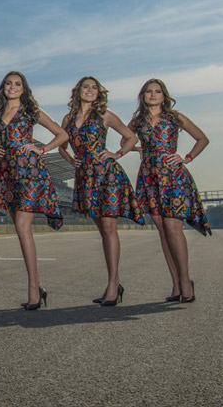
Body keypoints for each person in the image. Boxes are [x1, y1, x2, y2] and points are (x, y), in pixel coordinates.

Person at [0, 71, 67, 310]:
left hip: (30, 171)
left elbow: (62, 135)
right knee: (20, 230)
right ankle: (38, 285)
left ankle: (33, 288)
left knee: (22, 227)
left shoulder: (32, 111)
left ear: (24, 88)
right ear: (3, 88)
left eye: (17, 84)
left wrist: (41, 149)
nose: (12, 87)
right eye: (9, 83)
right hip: (7, 173)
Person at [60, 76, 144, 307]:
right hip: (85, 178)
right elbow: (61, 145)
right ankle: (113, 284)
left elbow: (131, 137)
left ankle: (113, 284)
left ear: (99, 92)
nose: (90, 90)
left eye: (94, 87)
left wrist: (117, 154)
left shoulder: (104, 114)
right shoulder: (68, 118)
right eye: (85, 87)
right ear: (78, 91)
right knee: (102, 231)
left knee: (109, 229)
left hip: (106, 174)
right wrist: (70, 160)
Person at [129, 79, 211, 303]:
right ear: (143, 95)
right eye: (148, 92)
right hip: (149, 177)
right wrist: (138, 148)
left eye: (157, 92)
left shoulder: (175, 117)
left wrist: (187, 158)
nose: (153, 95)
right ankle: (175, 284)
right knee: (162, 230)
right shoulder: (137, 121)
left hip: (172, 176)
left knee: (173, 228)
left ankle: (185, 282)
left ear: (164, 96)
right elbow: (125, 138)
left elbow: (202, 139)